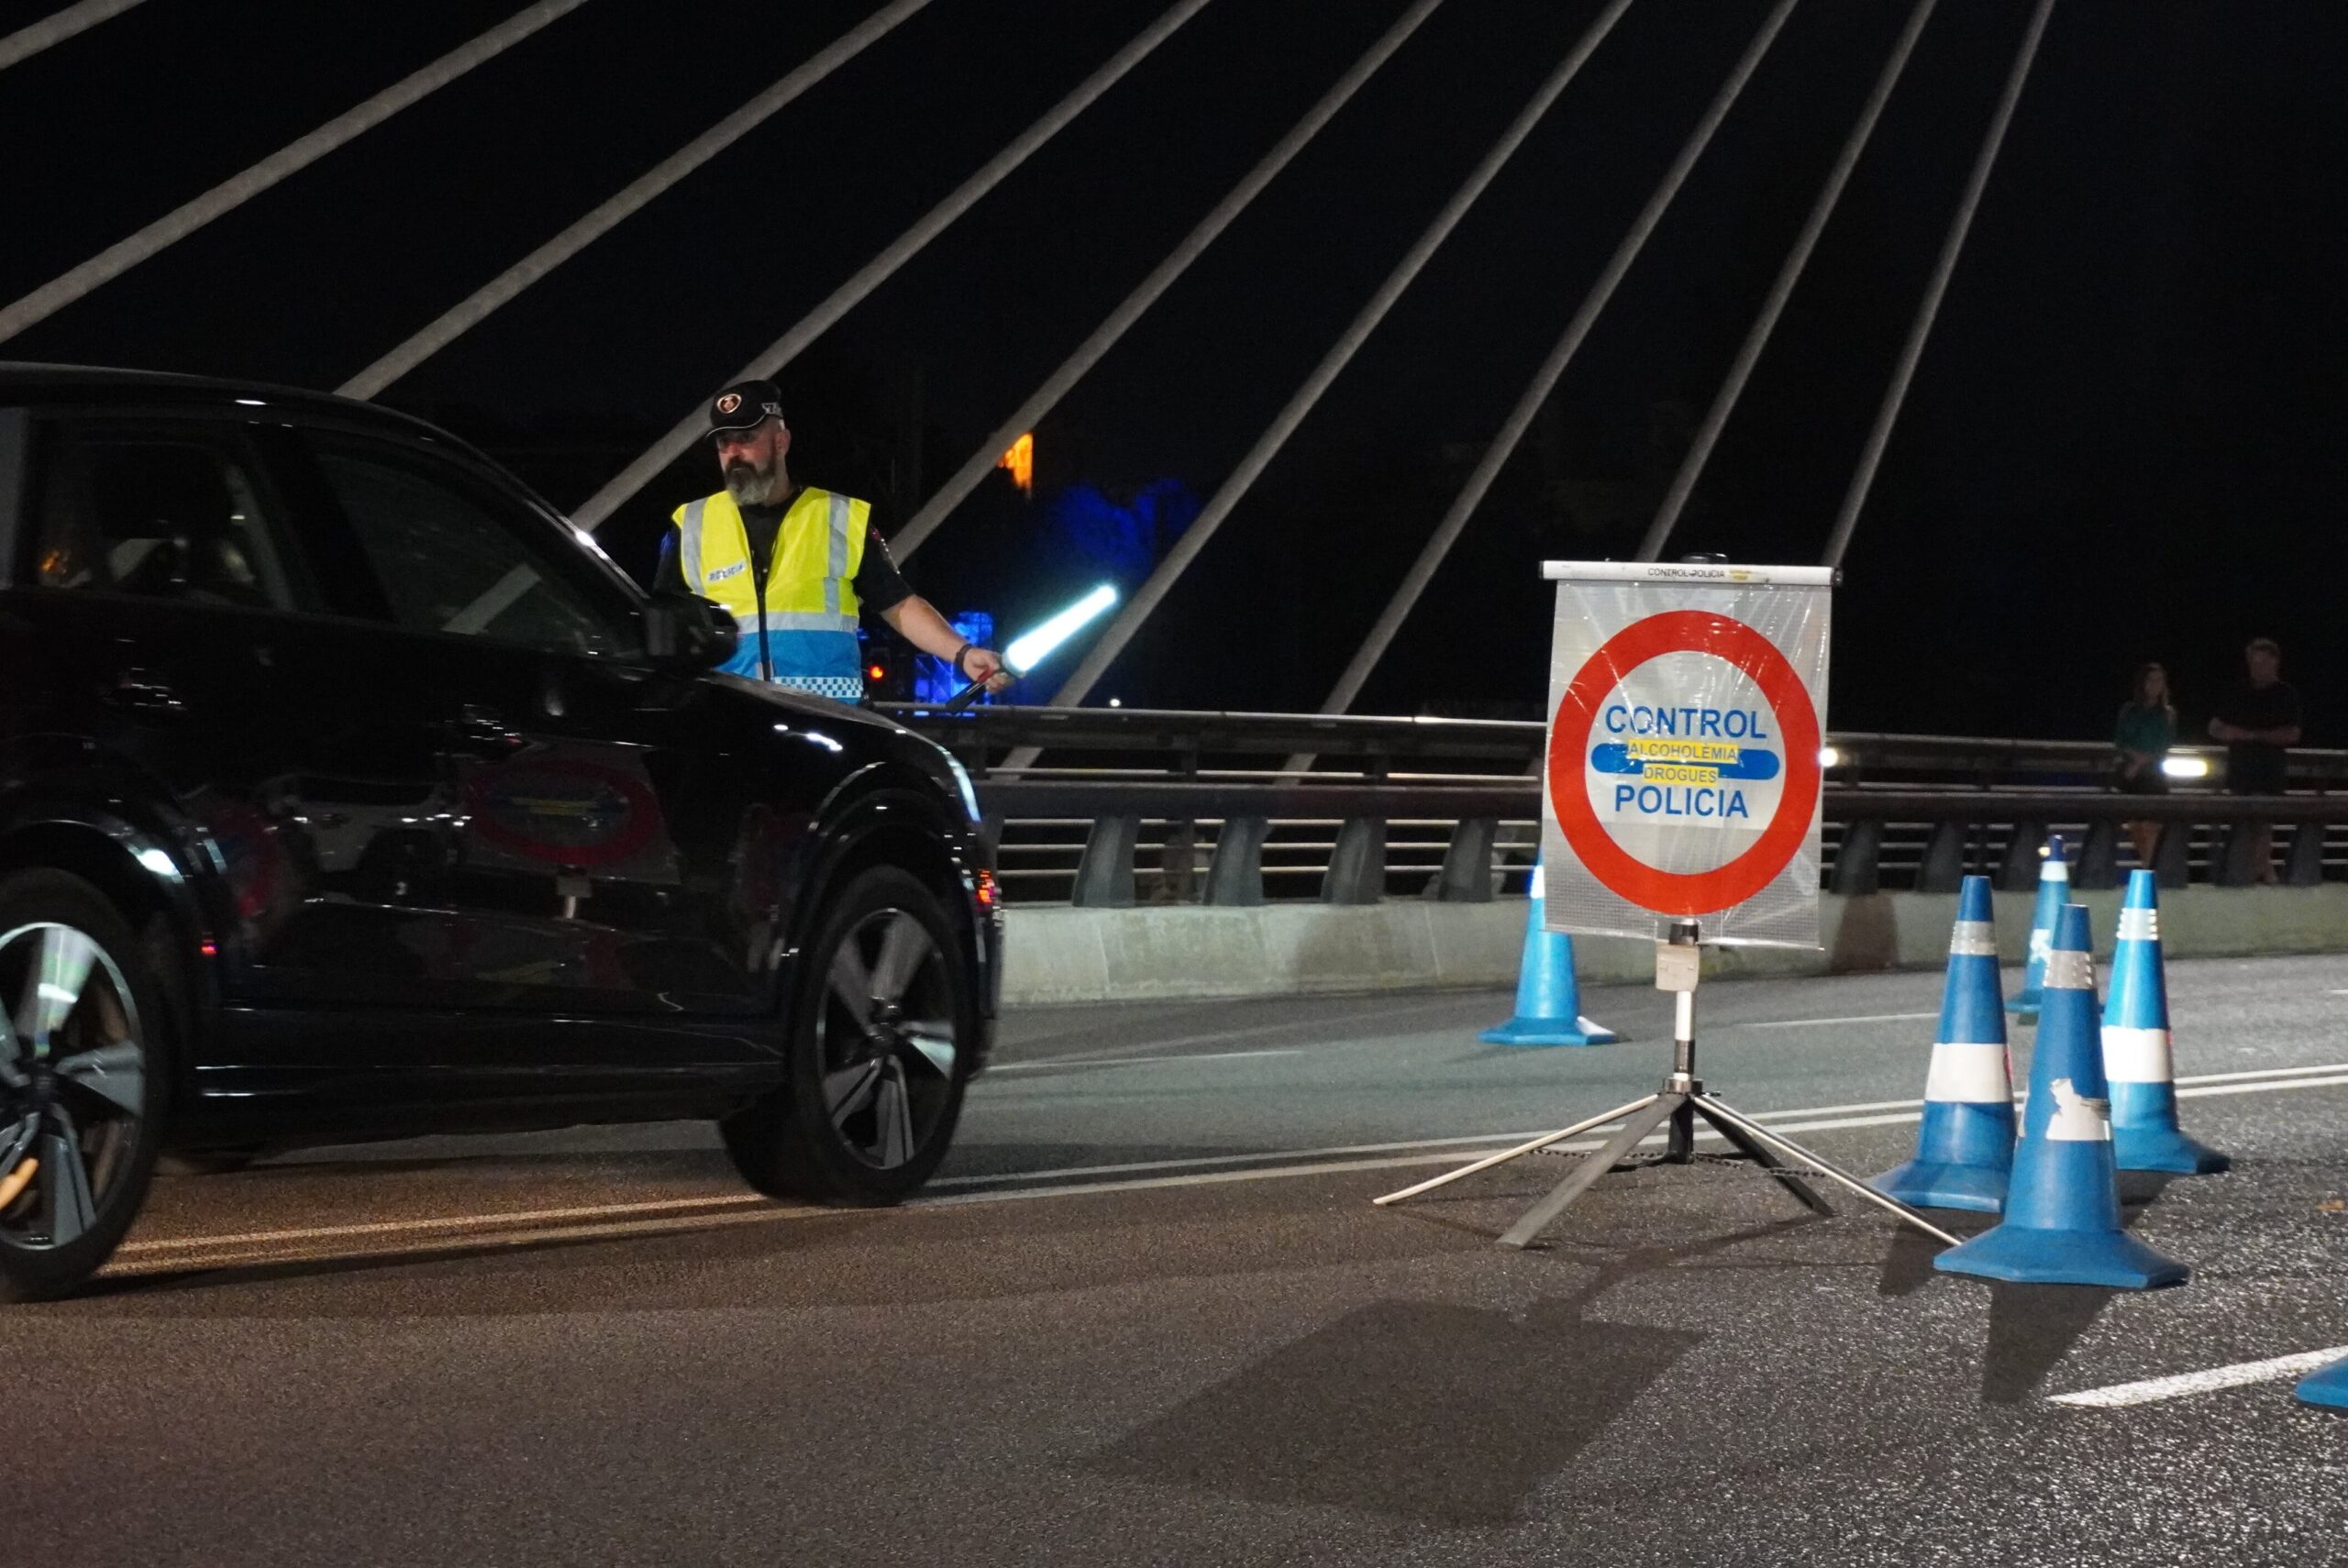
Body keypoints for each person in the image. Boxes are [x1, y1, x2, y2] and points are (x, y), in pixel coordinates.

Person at [654, 380, 1008, 702]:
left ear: (781, 442)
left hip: (826, 716)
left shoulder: (839, 517)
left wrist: (963, 654)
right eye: (723, 443)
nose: (733, 453)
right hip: (732, 715)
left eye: (746, 439)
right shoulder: (692, 523)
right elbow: (661, 628)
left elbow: (898, 604)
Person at [2208, 636, 2302, 884]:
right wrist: (2226, 733)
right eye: (2253, 662)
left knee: (2263, 823)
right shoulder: (2237, 691)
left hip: (2269, 770)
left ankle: (2256, 872)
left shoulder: (2285, 694)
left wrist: (2250, 735)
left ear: (2274, 662)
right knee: (2241, 822)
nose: (2256, 667)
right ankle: (2249, 871)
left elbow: (2293, 733)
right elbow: (2214, 727)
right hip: (2240, 769)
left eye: (2262, 662)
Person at [2111, 662, 2176, 868]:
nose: (2155, 685)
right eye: (2151, 680)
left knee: (2151, 826)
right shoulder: (2129, 710)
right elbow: (2121, 741)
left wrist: (2140, 762)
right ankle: (2148, 866)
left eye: (2159, 680)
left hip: (2153, 775)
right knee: (2135, 827)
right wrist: (2134, 759)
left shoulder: (2167, 713)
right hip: (2132, 776)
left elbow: (2163, 745)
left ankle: (2150, 869)